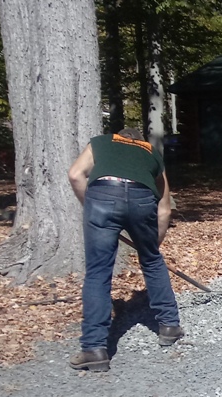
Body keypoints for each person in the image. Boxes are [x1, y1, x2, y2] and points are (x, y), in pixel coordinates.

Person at [66, 128, 185, 372]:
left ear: (119, 137)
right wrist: (151, 247)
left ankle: (94, 349)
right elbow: (164, 210)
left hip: (102, 195)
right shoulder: (151, 153)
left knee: (98, 273)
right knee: (152, 261)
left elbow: (76, 175)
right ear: (139, 142)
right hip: (143, 199)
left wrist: (94, 209)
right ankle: (170, 326)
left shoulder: (102, 143)